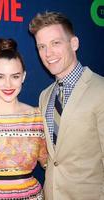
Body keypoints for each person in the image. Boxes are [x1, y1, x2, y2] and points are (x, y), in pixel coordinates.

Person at [29, 11, 104, 200]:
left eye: (56, 43)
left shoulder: (100, 89)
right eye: (42, 46)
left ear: (74, 43)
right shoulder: (44, 96)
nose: (48, 53)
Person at [0, 38, 48, 200]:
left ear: (24, 77)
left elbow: (52, 162)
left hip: (32, 196)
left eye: (15, 76)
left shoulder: (37, 117)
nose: (8, 84)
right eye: (0, 77)